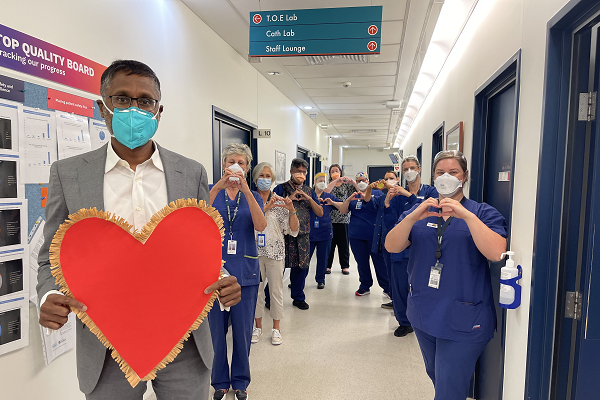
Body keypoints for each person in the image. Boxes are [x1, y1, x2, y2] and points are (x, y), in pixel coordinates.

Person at [36, 60, 242, 400]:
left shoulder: (190, 173)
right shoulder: (68, 174)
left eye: (145, 101)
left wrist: (222, 279)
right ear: (103, 107)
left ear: (159, 111)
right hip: (106, 341)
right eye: (122, 99)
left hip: (184, 339)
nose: (135, 108)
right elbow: (50, 258)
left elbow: (201, 250)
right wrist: (47, 296)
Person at [385, 150, 507, 399]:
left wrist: (467, 216)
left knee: (449, 386)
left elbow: (496, 252)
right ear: (432, 176)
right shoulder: (420, 211)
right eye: (441, 172)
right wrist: (411, 218)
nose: (446, 177)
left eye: (454, 172)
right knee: (436, 374)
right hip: (423, 310)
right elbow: (392, 246)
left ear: (464, 177)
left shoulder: (482, 212)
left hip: (463, 314)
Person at [208, 143, 267, 400]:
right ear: (223, 165)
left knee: (242, 333)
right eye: (231, 161)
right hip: (214, 272)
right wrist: (219, 186)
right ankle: (219, 381)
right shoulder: (213, 190)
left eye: (241, 163)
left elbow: (261, 225)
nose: (235, 166)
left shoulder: (251, 194)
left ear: (247, 167)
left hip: (245, 272)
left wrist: (245, 189)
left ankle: (241, 381)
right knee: (216, 333)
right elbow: (197, 215)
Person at [252, 162, 298, 345]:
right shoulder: (249, 200)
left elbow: (293, 230)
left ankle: (276, 329)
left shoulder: (280, 200)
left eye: (268, 176)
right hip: (253, 254)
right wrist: (265, 207)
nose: (265, 179)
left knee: (276, 292)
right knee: (256, 292)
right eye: (261, 176)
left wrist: (292, 210)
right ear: (255, 178)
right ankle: (257, 327)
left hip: (276, 253)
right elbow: (248, 223)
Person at [326, 172, 389, 297]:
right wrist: (349, 199)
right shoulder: (353, 195)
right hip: (356, 235)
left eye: (363, 180)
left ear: (368, 181)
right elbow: (343, 210)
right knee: (361, 262)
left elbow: (381, 208)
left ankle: (387, 287)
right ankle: (365, 285)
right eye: (358, 180)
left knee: (379, 262)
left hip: (374, 235)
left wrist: (364, 193)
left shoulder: (377, 193)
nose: (361, 182)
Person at [273, 158, 323, 310]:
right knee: (278, 269)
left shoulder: (309, 191)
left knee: (301, 268)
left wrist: (310, 199)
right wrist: (290, 198)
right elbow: (272, 208)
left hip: (303, 236)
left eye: (303, 172)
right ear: (291, 172)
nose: (301, 175)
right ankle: (271, 298)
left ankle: (298, 297)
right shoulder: (281, 189)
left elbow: (319, 212)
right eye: (298, 172)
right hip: (283, 236)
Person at [323, 164, 357, 275]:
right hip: (330, 218)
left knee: (344, 244)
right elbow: (326, 191)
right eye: (332, 171)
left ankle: (345, 265)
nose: (335, 172)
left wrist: (353, 182)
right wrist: (335, 180)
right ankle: (327, 265)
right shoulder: (329, 184)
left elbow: (358, 191)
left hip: (344, 218)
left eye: (336, 170)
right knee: (330, 244)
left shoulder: (346, 185)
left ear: (341, 172)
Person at [309, 172, 340, 289]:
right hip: (309, 231)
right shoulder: (309, 195)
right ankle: (299, 280)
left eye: (324, 181)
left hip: (325, 232)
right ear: (314, 182)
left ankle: (320, 279)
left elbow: (342, 206)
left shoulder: (329, 196)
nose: (322, 183)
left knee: (323, 258)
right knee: (304, 258)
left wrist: (332, 203)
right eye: (320, 180)